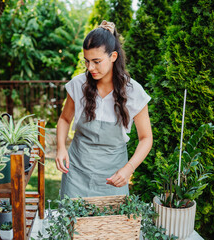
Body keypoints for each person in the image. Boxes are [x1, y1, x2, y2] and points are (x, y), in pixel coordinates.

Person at [56, 20, 152, 198]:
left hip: (113, 178)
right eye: (86, 61)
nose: (90, 68)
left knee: (109, 225)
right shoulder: (78, 85)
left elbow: (146, 138)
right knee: (72, 224)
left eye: (96, 61)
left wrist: (128, 169)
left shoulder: (133, 92)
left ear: (113, 57)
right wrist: (61, 147)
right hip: (76, 174)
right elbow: (64, 119)